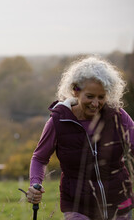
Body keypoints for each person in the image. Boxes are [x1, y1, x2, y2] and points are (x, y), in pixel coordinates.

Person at [26, 56, 134, 220]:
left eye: (101, 97)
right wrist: (35, 184)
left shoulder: (118, 116)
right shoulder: (59, 120)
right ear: (76, 91)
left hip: (119, 203)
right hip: (78, 206)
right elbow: (40, 158)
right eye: (90, 96)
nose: (96, 103)